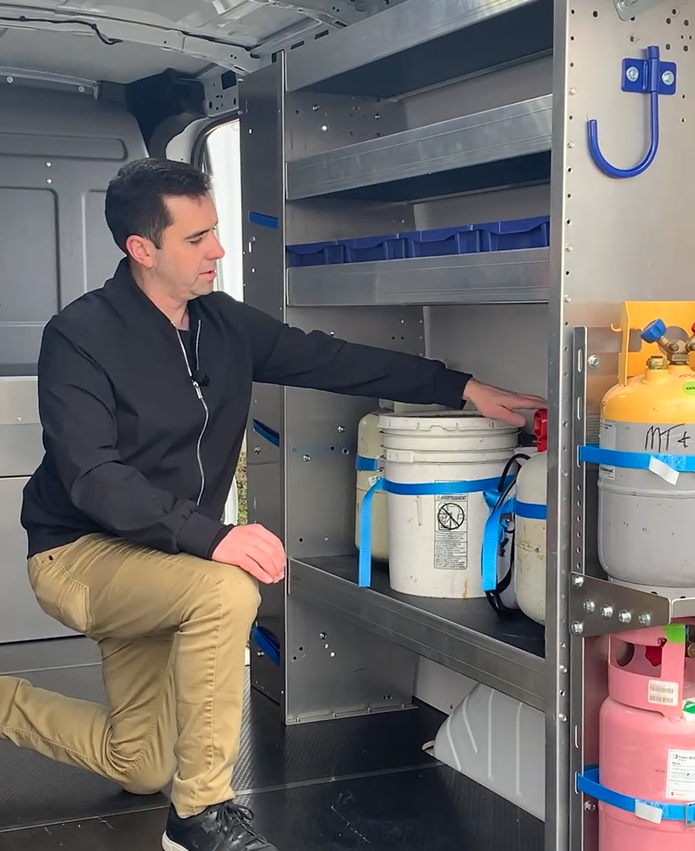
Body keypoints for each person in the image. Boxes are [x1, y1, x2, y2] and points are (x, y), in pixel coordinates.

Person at [0, 158, 545, 851]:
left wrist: (461, 387)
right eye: (196, 238)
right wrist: (212, 536)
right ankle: (201, 815)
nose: (218, 250)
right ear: (142, 249)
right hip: (79, 554)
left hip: (164, 558)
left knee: (138, 766)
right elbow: (91, 475)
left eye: (215, 231)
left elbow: (331, 358)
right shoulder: (80, 335)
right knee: (226, 589)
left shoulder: (221, 323)